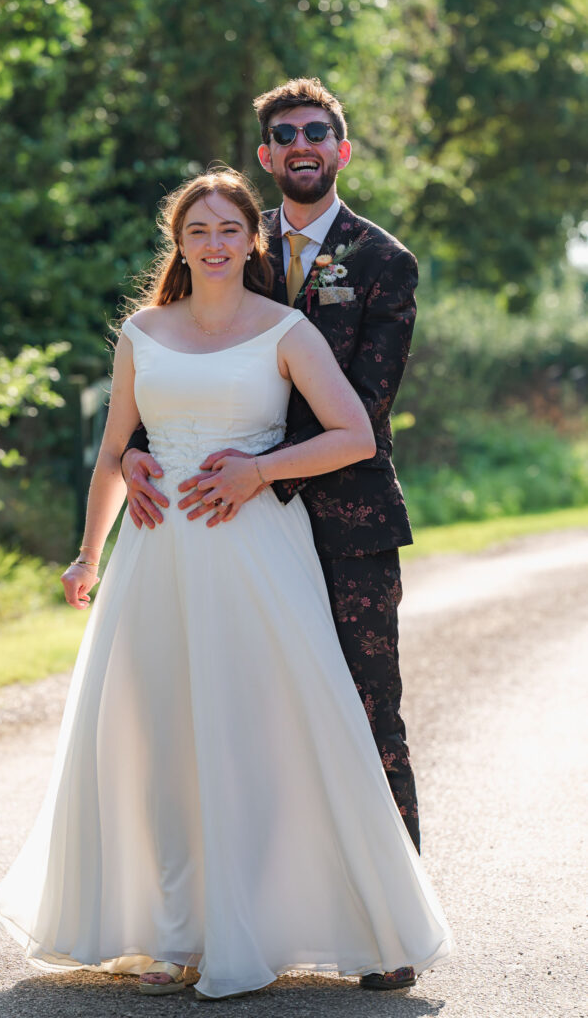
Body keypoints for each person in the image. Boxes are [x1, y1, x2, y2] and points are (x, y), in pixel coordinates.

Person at [0, 167, 452, 1001]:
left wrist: (261, 470)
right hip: (156, 561)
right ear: (179, 241)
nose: (213, 243)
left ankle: (259, 923)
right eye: (198, 230)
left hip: (255, 554)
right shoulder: (142, 332)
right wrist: (89, 554)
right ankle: (174, 936)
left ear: (252, 241)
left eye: (229, 230)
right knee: (158, 737)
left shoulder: (285, 331)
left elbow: (351, 433)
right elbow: (112, 452)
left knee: (256, 736)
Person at [121, 77, 423, 990]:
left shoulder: (383, 261)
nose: (301, 144)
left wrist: (254, 467)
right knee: (237, 716)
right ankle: (248, 911)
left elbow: (361, 404)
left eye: (317, 132)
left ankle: (387, 928)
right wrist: (144, 447)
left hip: (344, 521)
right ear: (265, 154)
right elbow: (197, 359)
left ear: (341, 146)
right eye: (285, 133)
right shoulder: (237, 244)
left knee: (364, 708)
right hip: (221, 526)